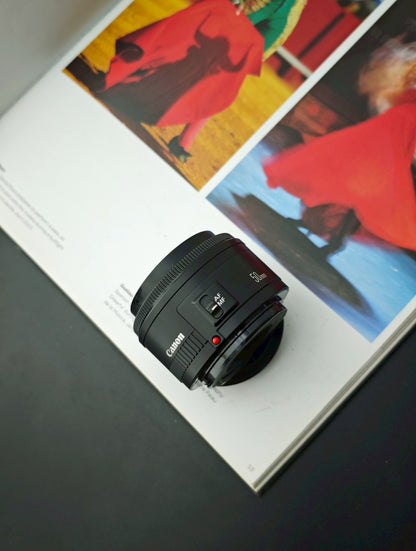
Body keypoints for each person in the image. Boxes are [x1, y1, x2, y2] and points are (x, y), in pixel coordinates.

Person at [67, 0, 306, 161]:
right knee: (185, 43)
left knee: (225, 74)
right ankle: (112, 79)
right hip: (261, 7)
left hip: (282, 11)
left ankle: (183, 141)